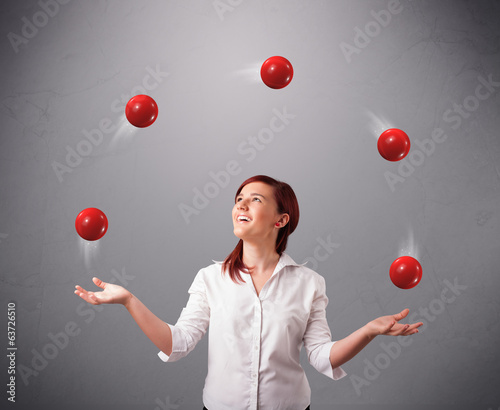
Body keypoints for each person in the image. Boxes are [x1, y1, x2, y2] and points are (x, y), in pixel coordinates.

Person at [75, 175, 423, 410]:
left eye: (254, 200)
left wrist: (369, 331)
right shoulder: (210, 278)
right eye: (238, 199)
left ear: (280, 220)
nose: (241, 205)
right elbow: (177, 344)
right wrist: (128, 301)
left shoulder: (309, 283)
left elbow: (321, 357)